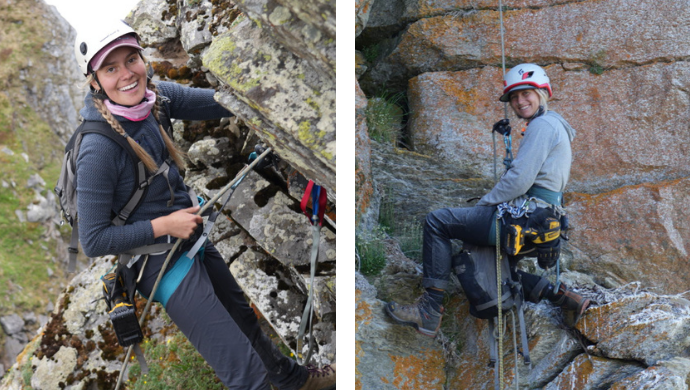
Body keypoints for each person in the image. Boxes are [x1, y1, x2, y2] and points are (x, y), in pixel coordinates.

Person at [73, 20, 335, 389]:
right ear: (95, 81)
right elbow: (94, 240)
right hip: (156, 261)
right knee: (242, 370)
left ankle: (294, 380)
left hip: (188, 234)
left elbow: (220, 103)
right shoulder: (98, 149)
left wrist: (288, 100)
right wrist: (165, 226)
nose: (127, 74)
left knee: (242, 316)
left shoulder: (156, 99)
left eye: (131, 59)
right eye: (110, 68)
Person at [385, 63, 590, 337]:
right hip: (540, 223)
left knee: (438, 221)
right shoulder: (554, 126)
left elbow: (520, 179)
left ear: (543, 93)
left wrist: (486, 203)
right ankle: (564, 297)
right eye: (514, 97)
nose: (519, 101)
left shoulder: (543, 125)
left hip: (524, 219)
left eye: (526, 93)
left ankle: (429, 310)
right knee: (491, 264)